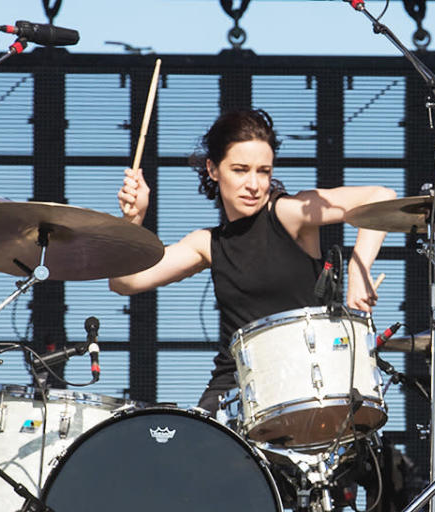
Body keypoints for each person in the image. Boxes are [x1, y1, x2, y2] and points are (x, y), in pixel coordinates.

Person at [109, 109, 393, 415]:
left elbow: (381, 196)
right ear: (213, 169)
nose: (254, 184)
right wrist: (132, 221)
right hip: (234, 388)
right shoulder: (208, 243)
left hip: (305, 380)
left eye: (263, 171)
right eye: (240, 170)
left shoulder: (287, 213)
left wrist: (358, 268)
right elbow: (125, 282)